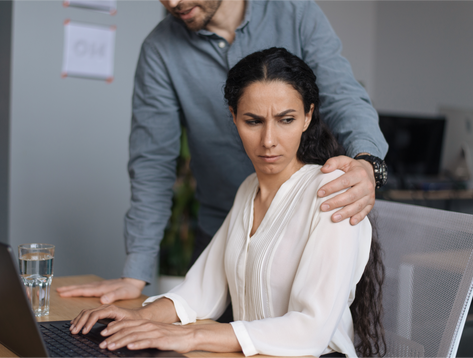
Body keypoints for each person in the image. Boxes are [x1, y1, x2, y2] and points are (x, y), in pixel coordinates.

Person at [57, 0, 388, 303]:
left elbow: (343, 96)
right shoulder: (160, 50)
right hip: (222, 233)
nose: (173, 3)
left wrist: (367, 162)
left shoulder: (294, 13)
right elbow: (152, 164)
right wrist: (135, 274)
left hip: (304, 227)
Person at [69, 48, 385, 358]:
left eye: (286, 119)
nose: (269, 140)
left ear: (308, 116)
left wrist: (190, 336)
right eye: (253, 121)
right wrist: (140, 317)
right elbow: (201, 291)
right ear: (233, 118)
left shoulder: (335, 191)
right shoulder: (249, 190)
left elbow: (310, 330)